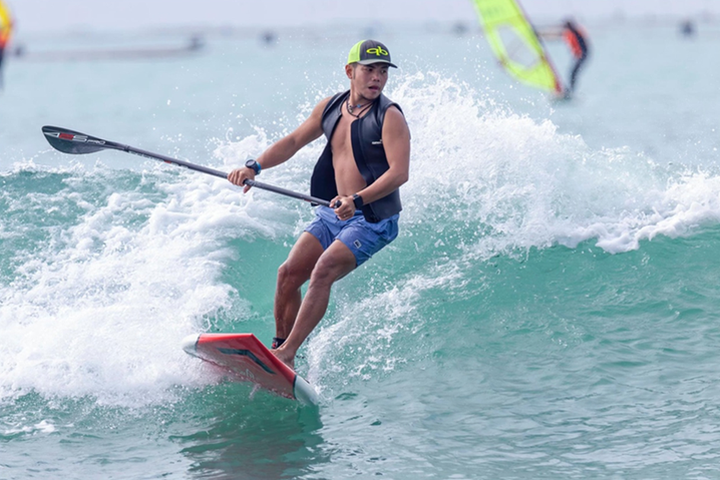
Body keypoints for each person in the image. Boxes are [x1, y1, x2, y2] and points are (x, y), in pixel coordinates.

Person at [227, 39, 411, 369]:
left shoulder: (389, 116)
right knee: (287, 274)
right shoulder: (330, 108)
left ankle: (288, 353)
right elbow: (294, 141)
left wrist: (357, 199)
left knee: (322, 271)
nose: (377, 78)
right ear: (349, 71)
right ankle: (279, 349)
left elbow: (399, 173)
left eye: (383, 72)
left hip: (372, 219)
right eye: (369, 70)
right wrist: (254, 166)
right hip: (332, 215)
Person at [541, 18, 590, 97]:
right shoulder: (568, 33)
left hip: (583, 55)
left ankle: (570, 92)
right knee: (572, 73)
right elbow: (555, 37)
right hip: (579, 56)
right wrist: (540, 35)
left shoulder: (576, 32)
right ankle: (569, 91)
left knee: (573, 73)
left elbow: (583, 40)